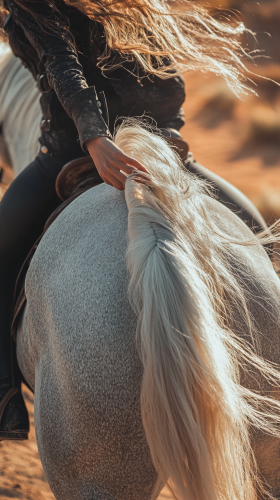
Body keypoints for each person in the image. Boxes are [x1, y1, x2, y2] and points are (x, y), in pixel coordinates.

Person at [0, 0, 268, 440]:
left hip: (75, 148)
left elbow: (60, 61)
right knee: (259, 238)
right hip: (161, 142)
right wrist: (166, 126)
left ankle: (5, 397)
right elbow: (162, 60)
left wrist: (96, 139)